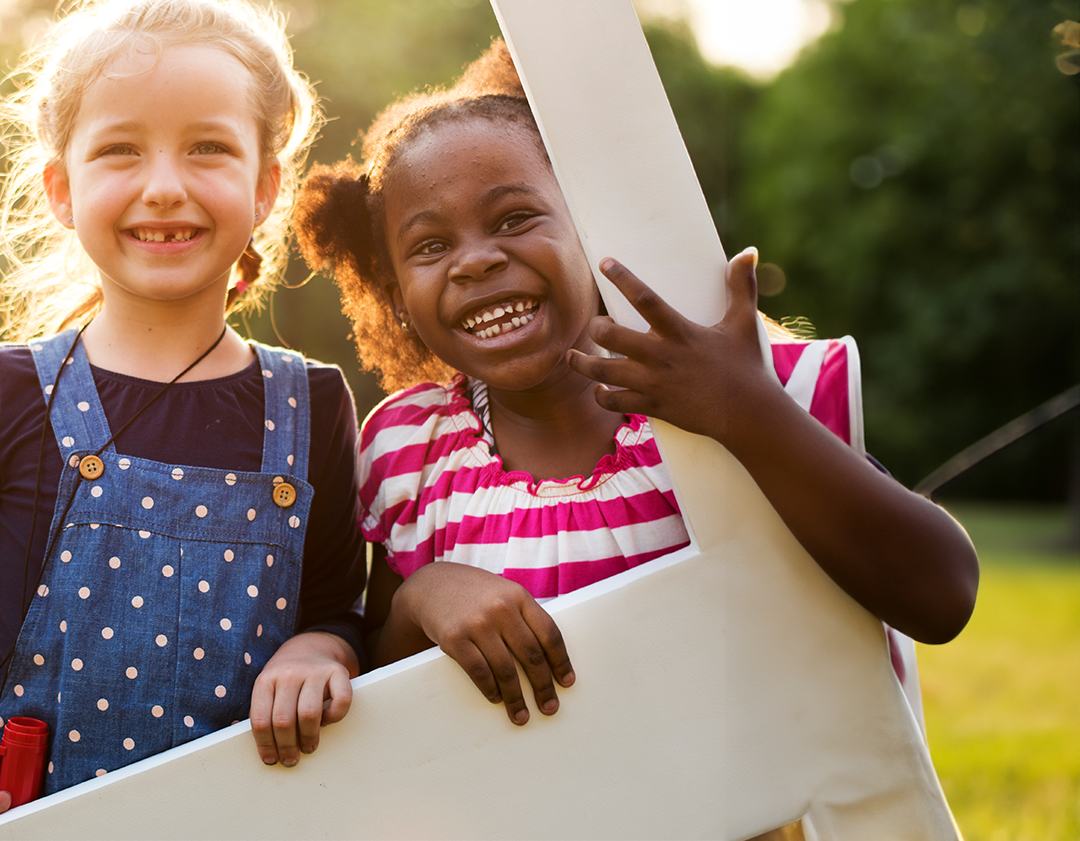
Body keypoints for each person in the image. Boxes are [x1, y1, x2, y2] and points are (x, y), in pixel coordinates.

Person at [292, 40, 979, 729]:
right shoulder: (410, 447)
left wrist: (740, 409)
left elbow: (939, 596)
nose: (474, 261)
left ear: (590, 227)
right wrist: (421, 599)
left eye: (512, 219)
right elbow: (390, 705)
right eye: (430, 246)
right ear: (393, 288)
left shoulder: (724, 384)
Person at [0, 0, 367, 838]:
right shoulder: (9, 391)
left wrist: (321, 646)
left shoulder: (313, 405)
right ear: (60, 189)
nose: (163, 186)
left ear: (264, 186)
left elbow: (343, 611)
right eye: (120, 150)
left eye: (207, 149)